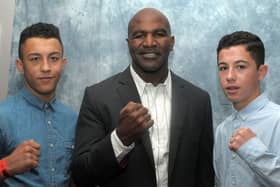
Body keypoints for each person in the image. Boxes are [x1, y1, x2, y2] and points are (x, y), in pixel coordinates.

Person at [71, 8, 214, 187]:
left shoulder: (198, 100)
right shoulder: (98, 97)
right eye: (139, 35)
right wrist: (120, 138)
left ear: (171, 42)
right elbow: (82, 174)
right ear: (128, 43)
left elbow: (205, 175)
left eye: (159, 34)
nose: (149, 43)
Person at [0, 23, 77, 186]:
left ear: (63, 64)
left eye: (53, 58)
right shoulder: (2, 116)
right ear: (20, 66)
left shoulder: (72, 119)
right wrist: (6, 166)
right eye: (35, 59)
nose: (46, 67)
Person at [214, 31, 280, 186]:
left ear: (261, 72)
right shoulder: (222, 130)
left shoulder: (277, 121)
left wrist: (253, 151)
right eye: (223, 68)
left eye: (240, 66)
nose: (229, 76)